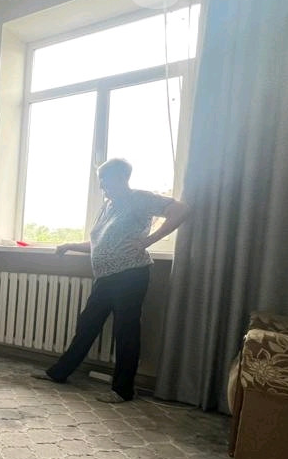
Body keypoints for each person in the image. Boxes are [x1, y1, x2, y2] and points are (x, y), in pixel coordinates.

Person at [38, 158, 190, 403]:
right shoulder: (107, 207)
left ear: (121, 178)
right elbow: (99, 242)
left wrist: (148, 241)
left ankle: (122, 390)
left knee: (126, 330)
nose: (101, 186)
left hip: (130, 275)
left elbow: (180, 210)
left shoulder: (139, 198)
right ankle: (59, 373)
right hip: (106, 277)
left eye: (104, 181)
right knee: (87, 323)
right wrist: (69, 245)